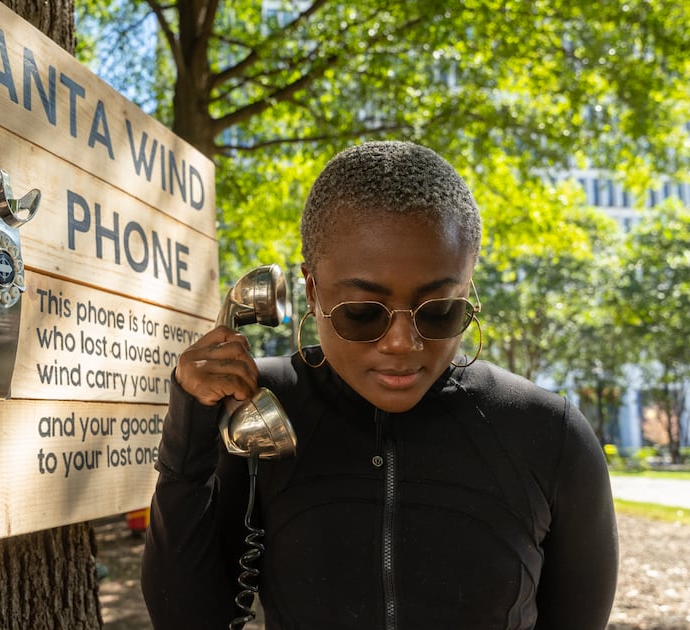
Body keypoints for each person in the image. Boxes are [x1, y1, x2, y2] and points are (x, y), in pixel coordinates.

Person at [141, 141, 619, 629]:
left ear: (468, 285)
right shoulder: (256, 412)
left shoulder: (549, 433)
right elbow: (185, 618)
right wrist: (189, 433)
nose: (401, 343)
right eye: (362, 313)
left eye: (439, 310)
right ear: (311, 289)